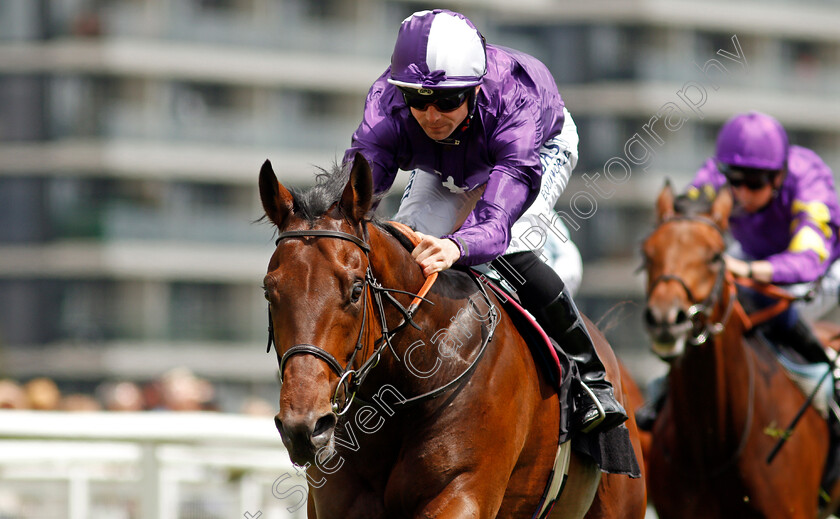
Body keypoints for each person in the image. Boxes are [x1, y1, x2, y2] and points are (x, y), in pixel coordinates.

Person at [344, 9, 625, 433]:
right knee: (404, 246)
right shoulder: (386, 104)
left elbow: (497, 220)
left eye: (448, 100)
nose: (432, 115)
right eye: (418, 100)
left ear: (474, 89)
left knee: (512, 245)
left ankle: (591, 378)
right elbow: (354, 198)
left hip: (535, 151)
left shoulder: (516, 100)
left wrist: (458, 245)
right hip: (444, 165)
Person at [637, 111, 840, 429]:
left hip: (821, 271)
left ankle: (828, 376)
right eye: (735, 181)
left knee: (771, 310)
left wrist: (746, 269)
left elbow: (807, 261)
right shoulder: (717, 175)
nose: (742, 193)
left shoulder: (808, 179)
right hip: (750, 256)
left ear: (778, 176)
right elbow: (686, 223)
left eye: (755, 183)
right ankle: (668, 387)